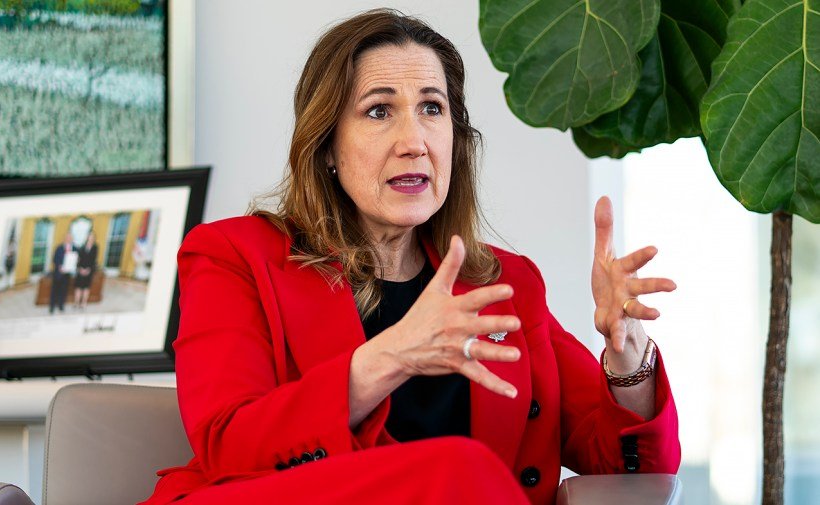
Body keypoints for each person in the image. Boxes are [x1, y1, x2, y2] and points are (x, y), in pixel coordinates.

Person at [141, 9, 680, 505]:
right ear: (326, 145)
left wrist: (627, 356)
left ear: (456, 140)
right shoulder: (233, 255)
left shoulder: (508, 283)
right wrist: (393, 356)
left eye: (431, 108)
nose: (414, 141)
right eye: (379, 111)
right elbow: (228, 446)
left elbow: (629, 470)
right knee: (459, 467)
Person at [49, 232, 75, 314]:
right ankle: (52, 306)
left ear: (72, 239)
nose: (68, 239)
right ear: (64, 238)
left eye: (70, 238)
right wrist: (59, 267)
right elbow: (54, 259)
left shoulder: (74, 248)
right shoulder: (59, 248)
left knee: (64, 290)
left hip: (67, 274)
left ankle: (61, 305)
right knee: (55, 290)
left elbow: (76, 259)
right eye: (67, 237)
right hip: (58, 273)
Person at [74, 231, 99, 310]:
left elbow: (93, 260)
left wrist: (88, 269)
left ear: (94, 238)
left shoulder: (95, 248)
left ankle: (83, 303)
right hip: (80, 270)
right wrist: (80, 269)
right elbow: (78, 260)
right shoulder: (82, 247)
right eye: (89, 236)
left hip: (89, 270)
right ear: (87, 237)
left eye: (92, 237)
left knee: (86, 288)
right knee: (78, 287)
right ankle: (76, 303)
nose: (90, 238)